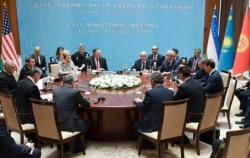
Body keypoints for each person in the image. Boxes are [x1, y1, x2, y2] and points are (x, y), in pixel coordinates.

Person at [53, 75, 90, 153]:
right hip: (69, 124)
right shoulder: (74, 92)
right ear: (72, 83)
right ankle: (77, 147)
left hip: (56, 124)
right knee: (85, 123)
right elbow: (87, 104)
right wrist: (81, 98)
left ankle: (64, 146)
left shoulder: (55, 91)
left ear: (63, 82)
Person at [15, 67, 50, 142]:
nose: (39, 78)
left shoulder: (20, 82)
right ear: (36, 75)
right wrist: (48, 100)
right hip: (30, 116)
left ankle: (33, 135)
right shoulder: (32, 87)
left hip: (20, 114)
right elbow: (38, 104)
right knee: (52, 112)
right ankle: (49, 136)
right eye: (40, 76)